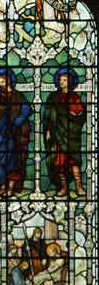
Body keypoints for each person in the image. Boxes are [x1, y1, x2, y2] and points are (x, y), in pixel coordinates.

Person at [0, 67, 32, 196]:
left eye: (3, 81)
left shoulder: (18, 96)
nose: (1, 83)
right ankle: (2, 186)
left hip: (14, 136)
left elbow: (26, 110)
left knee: (13, 162)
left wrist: (15, 125)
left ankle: (10, 189)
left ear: (9, 80)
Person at [43, 67, 86, 196]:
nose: (62, 82)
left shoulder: (74, 97)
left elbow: (79, 115)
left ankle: (79, 187)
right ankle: (64, 187)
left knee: (73, 160)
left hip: (71, 135)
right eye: (60, 80)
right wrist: (48, 131)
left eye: (65, 80)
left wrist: (75, 113)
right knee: (59, 162)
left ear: (70, 81)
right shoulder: (53, 97)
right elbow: (48, 116)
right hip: (57, 134)